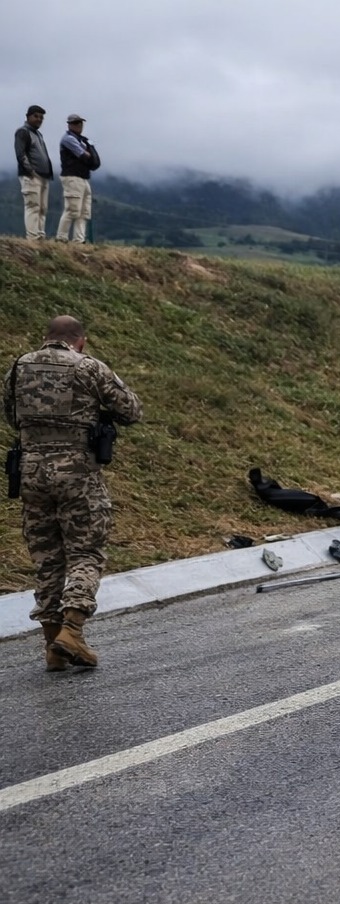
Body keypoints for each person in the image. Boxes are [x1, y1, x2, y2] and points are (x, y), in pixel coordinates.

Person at [5, 315, 143, 670]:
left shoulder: (20, 367)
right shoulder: (88, 367)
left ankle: (53, 647)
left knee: (47, 556)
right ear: (80, 341)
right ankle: (72, 630)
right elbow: (130, 410)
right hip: (77, 473)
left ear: (44, 338)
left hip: (31, 472)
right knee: (86, 552)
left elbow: (10, 415)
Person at [55, 114, 100, 243]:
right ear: (69, 124)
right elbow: (83, 154)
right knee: (72, 209)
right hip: (72, 177)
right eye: (75, 123)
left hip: (83, 177)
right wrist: (88, 154)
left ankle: (79, 240)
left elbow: (88, 155)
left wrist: (88, 155)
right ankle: (61, 237)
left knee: (84, 212)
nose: (78, 125)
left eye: (80, 123)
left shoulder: (81, 139)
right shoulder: (68, 139)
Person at [14, 104, 54, 241]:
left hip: (44, 176)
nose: (39, 119)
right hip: (31, 176)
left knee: (43, 208)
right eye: (36, 116)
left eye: (41, 117)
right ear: (28, 116)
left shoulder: (38, 134)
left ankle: (40, 235)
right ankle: (32, 238)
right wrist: (30, 171)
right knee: (33, 206)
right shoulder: (23, 132)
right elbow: (21, 154)